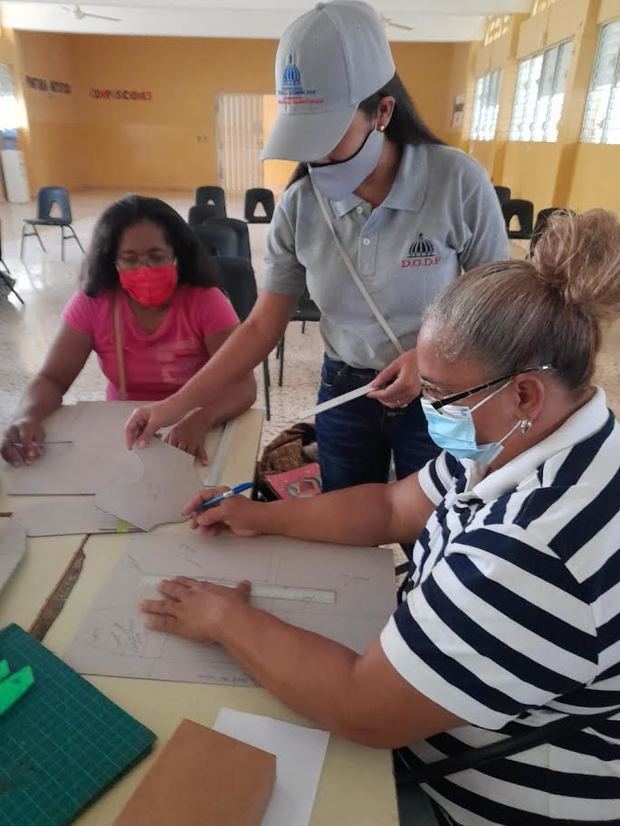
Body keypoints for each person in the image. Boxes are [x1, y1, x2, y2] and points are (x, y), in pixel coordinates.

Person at [142, 209, 620, 826]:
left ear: (523, 392)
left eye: (439, 393)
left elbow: (362, 708)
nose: (428, 410)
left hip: (491, 798)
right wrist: (262, 516)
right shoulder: (534, 436)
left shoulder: (536, 546)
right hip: (453, 715)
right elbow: (391, 506)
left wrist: (224, 617)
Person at [125, 0, 509, 495]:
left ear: (383, 113)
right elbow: (262, 325)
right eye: (304, 140)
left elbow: (498, 307)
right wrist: (172, 406)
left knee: (433, 524)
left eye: (329, 137)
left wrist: (428, 360)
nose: (316, 159)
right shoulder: (300, 207)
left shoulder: (457, 182)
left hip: (441, 391)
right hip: (346, 392)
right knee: (344, 515)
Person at [1, 195, 256, 467]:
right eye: (129, 259)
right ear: (113, 261)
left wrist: (202, 418)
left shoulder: (206, 301)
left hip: (193, 424)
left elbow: (243, 387)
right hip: (125, 430)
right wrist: (26, 416)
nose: (143, 269)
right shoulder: (94, 304)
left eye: (156, 257)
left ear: (177, 257)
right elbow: (52, 378)